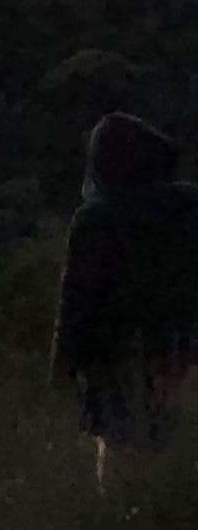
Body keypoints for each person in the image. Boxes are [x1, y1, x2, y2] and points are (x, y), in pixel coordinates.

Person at [54, 112, 198, 475]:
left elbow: (77, 301)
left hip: (116, 361)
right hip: (182, 355)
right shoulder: (186, 205)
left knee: (119, 466)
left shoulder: (96, 217)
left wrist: (63, 369)